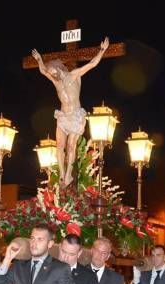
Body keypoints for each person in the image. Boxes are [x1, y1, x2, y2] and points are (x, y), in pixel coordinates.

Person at [30, 37, 110, 187]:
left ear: (59, 68)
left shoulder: (73, 75)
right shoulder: (56, 81)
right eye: (51, 73)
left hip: (75, 116)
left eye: (53, 71)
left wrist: (102, 50)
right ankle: (61, 175)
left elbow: (92, 64)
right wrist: (39, 59)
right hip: (63, 117)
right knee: (60, 146)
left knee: (71, 146)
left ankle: (68, 176)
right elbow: (42, 71)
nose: (51, 74)